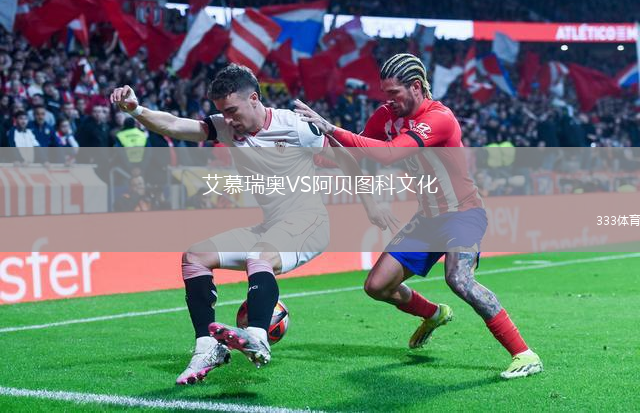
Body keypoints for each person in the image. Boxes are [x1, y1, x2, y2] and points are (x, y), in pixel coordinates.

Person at [110, 64, 392, 385]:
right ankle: (207, 347)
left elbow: (346, 159)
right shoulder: (226, 127)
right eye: (222, 112)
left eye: (232, 111)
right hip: (270, 227)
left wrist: (372, 202)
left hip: (309, 223)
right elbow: (175, 124)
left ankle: (258, 336)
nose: (227, 119)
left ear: (254, 99)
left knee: (259, 255)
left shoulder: (295, 127)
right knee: (195, 256)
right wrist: (137, 110)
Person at [295, 53, 543, 380]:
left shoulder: (439, 118)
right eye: (385, 94)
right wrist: (307, 154)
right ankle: (434, 313)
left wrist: (332, 127)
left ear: (415, 87)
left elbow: (390, 154)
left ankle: (524, 354)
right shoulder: (387, 115)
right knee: (377, 286)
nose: (388, 101)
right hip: (427, 218)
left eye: (394, 93)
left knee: (459, 279)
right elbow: (357, 154)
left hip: (463, 214)